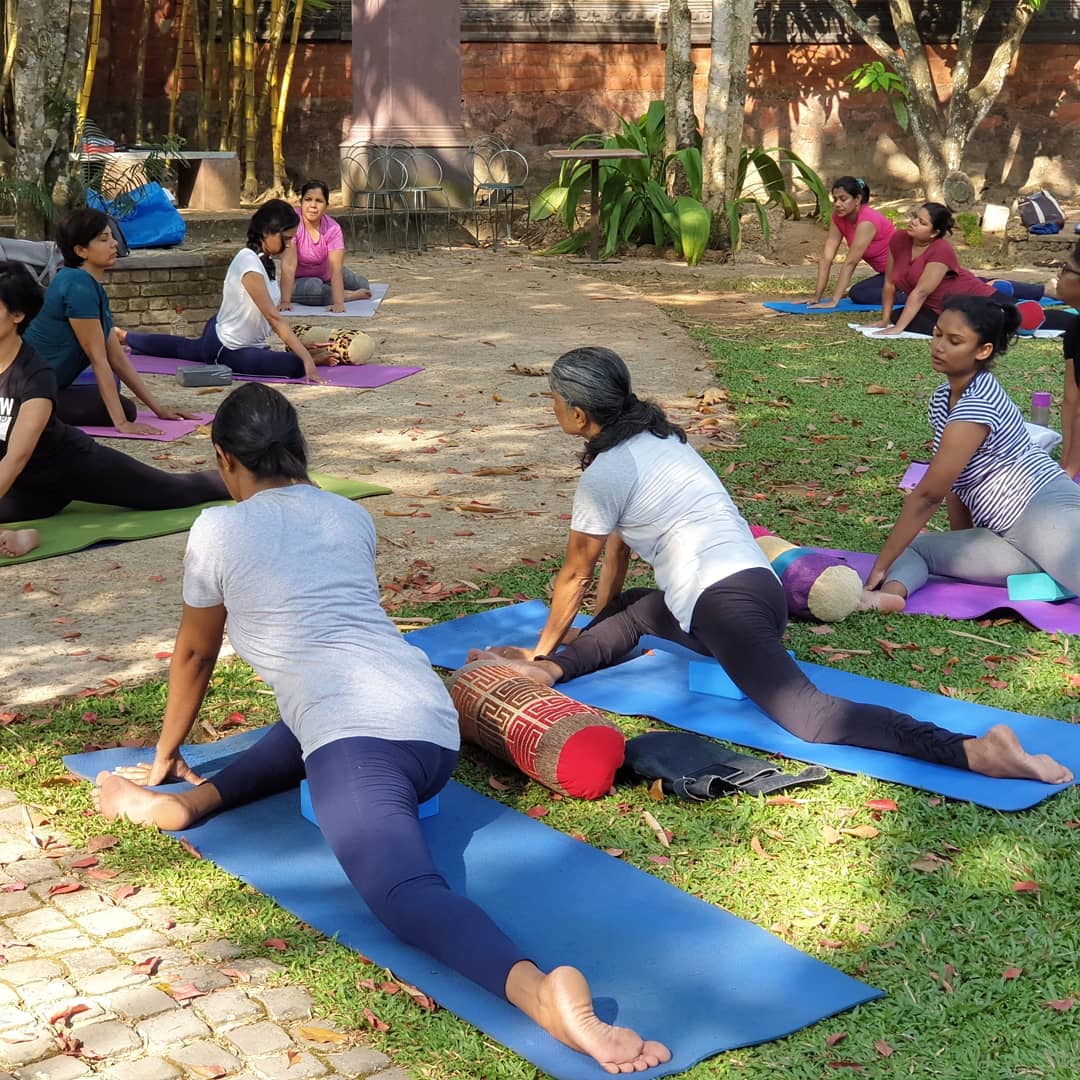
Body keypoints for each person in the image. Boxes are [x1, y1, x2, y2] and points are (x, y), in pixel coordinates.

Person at [92, 381, 671, 1077]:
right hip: (430, 725)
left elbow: (193, 653)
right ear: (297, 449)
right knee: (308, 718)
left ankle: (543, 998)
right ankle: (191, 803)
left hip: (362, 744)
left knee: (404, 895)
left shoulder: (217, 528)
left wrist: (162, 754)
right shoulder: (346, 515)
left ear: (225, 460)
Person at [468, 346, 1071, 786]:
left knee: (811, 718)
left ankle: (973, 750)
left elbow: (574, 574)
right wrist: (570, 643)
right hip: (759, 589)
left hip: (723, 605)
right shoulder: (660, 438)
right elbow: (618, 558)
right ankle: (554, 672)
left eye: (553, 402)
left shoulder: (605, 473)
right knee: (632, 612)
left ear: (576, 413)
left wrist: (545, 644)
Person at [862, 296, 1080, 617]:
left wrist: (877, 568)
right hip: (1008, 536)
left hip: (1047, 513)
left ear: (983, 350)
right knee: (915, 550)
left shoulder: (978, 403)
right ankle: (887, 597)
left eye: (954, 341)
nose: (939, 346)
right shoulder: (942, 399)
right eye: (937, 334)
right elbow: (953, 483)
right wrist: (958, 540)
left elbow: (927, 496)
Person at [0, 260, 228, 557]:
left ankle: (255, 476)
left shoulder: (35, 376)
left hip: (69, 468)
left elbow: (17, 458)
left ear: (18, 315)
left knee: (175, 491)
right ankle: (20, 536)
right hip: (23, 489)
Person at [22, 209, 194, 434]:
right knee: (122, 408)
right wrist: (121, 424)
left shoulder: (88, 285)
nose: (114, 244)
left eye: (112, 237)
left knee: (118, 402)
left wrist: (159, 409)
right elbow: (98, 358)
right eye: (104, 239)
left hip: (46, 385)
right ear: (81, 250)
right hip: (25, 390)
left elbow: (116, 357)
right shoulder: (77, 286)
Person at [119, 201, 332, 383]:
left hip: (225, 332)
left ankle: (127, 337)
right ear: (267, 232)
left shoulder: (266, 262)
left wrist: (303, 351)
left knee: (183, 349)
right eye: (286, 238)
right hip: (227, 346)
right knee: (294, 366)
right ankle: (127, 337)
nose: (290, 244)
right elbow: (273, 317)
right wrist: (305, 358)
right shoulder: (248, 261)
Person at [871, 203, 1071, 338]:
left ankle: (1069, 321)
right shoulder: (899, 239)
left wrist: (897, 330)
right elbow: (890, 281)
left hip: (973, 298)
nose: (913, 222)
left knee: (1019, 322)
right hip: (938, 308)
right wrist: (885, 319)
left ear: (934, 233)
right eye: (915, 217)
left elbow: (921, 291)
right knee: (902, 315)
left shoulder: (941, 249)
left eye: (922, 222)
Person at [277, 181, 371, 312]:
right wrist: (285, 301)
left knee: (363, 284)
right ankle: (348, 295)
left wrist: (338, 304)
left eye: (319, 201)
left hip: (326, 272)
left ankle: (338, 293)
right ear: (301, 202)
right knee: (315, 288)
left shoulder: (333, 228)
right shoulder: (292, 223)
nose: (313, 205)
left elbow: (335, 269)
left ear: (326, 205)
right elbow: (288, 266)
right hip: (299, 280)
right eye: (308, 199)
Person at [809, 177, 897, 307]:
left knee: (859, 295)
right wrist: (816, 297)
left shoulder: (867, 220)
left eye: (843, 199)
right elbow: (826, 258)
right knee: (859, 292)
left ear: (857, 199)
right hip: (888, 275)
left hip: (908, 272)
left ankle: (920, 295)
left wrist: (834, 301)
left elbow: (850, 262)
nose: (837, 204)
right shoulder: (838, 217)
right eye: (835, 199)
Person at [1056, 242, 1080, 478]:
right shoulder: (1075, 328)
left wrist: (1071, 469)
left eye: (1066, 269)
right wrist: (1066, 460)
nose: (1058, 275)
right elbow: (1072, 399)